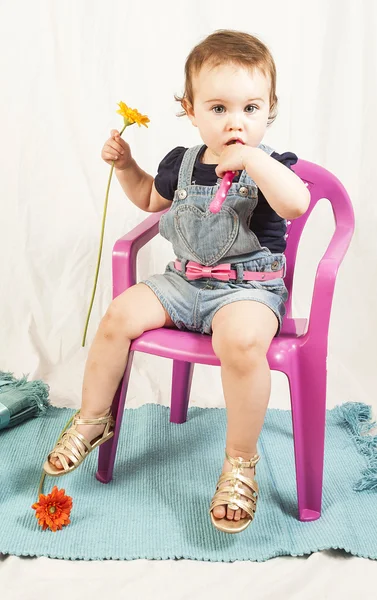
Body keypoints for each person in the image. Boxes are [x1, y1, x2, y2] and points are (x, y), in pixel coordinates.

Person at [43, 29, 310, 534]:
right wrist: (127, 167)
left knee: (242, 339)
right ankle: (94, 417)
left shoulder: (273, 165)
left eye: (251, 108)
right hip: (184, 284)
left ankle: (239, 461)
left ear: (269, 110)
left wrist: (254, 160)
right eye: (219, 108)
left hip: (247, 291)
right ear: (190, 110)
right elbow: (149, 199)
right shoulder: (182, 164)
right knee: (119, 313)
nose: (236, 122)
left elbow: (296, 203)